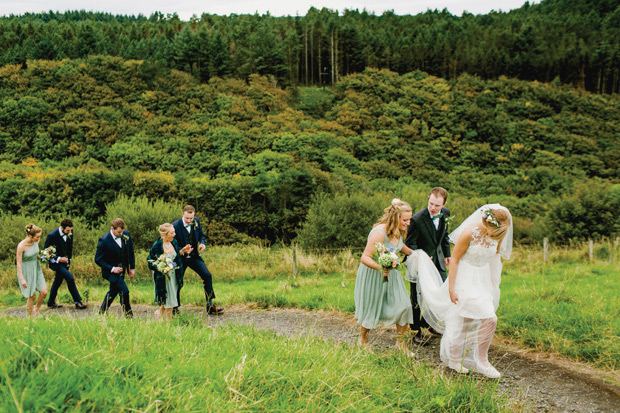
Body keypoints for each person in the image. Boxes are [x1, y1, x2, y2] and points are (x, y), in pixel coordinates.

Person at [413, 204, 513, 378]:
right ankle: (459, 359)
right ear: (488, 223)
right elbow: (456, 260)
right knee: (468, 319)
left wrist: (493, 284)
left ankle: (478, 360)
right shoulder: (469, 233)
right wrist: (451, 288)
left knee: (485, 319)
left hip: (482, 279)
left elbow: (495, 259)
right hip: (464, 278)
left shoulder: (498, 233)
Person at [354, 198, 415, 357]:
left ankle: (401, 344)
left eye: (409, 219)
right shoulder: (379, 233)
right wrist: (380, 268)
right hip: (374, 274)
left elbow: (400, 246)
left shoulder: (399, 231)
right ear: (395, 218)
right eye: (405, 220)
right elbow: (365, 257)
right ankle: (363, 339)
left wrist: (417, 256)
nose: (408, 223)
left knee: (405, 306)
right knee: (371, 307)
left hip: (392, 274)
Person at [405, 187, 452, 344]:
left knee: (442, 293)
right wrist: (422, 256)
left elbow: (444, 236)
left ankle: (429, 323)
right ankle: (416, 330)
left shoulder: (445, 213)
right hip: (420, 263)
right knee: (417, 297)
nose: (433, 208)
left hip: (438, 262)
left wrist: (447, 255)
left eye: (437, 205)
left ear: (444, 204)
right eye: (431, 203)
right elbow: (409, 244)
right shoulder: (417, 219)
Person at [172, 205, 223, 315]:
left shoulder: (196, 222)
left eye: (191, 218)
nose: (190, 220)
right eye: (187, 218)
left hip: (194, 256)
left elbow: (201, 235)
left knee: (207, 275)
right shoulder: (175, 226)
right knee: (177, 281)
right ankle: (174, 308)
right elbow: (172, 244)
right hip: (181, 258)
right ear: (183, 214)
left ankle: (209, 305)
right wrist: (182, 250)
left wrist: (202, 243)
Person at [147, 223, 190, 321]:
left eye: (174, 232)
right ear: (165, 234)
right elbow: (150, 261)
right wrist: (159, 268)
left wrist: (183, 250)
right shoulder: (157, 246)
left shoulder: (174, 242)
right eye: (171, 233)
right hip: (162, 276)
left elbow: (176, 257)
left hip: (174, 273)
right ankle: (168, 321)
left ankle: (159, 313)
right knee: (168, 298)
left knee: (171, 296)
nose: (174, 234)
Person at [95, 218, 135, 317]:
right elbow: (98, 259)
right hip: (111, 272)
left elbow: (130, 251)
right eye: (118, 232)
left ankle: (102, 311)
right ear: (112, 228)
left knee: (113, 292)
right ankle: (129, 316)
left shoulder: (126, 235)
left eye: (122, 232)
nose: (121, 234)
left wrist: (132, 268)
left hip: (122, 270)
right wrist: (112, 268)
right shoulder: (104, 240)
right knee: (124, 291)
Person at [44, 218, 87, 310]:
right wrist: (59, 259)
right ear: (62, 228)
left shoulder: (69, 233)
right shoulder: (52, 235)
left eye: (70, 230)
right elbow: (46, 252)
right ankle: (78, 301)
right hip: (56, 263)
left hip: (66, 263)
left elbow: (69, 247)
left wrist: (69, 260)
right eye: (67, 230)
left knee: (58, 281)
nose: (69, 232)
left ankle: (51, 302)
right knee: (70, 278)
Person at [16, 224, 48, 317]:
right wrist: (22, 279)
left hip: (36, 268)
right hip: (26, 270)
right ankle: (30, 318)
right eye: (37, 237)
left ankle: (36, 309)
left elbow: (34, 253)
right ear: (30, 236)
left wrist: (44, 257)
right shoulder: (21, 246)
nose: (39, 239)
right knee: (32, 296)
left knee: (44, 292)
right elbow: (18, 263)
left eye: (39, 237)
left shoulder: (36, 241)